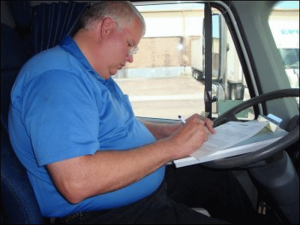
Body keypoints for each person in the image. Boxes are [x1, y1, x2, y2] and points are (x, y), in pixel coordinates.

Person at [8, 1, 261, 224]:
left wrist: (165, 131)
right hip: (104, 213)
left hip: (138, 186)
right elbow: (76, 183)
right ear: (106, 28)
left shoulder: (92, 73)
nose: (130, 58)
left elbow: (116, 124)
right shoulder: (58, 80)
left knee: (218, 179)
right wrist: (171, 147)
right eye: (130, 45)